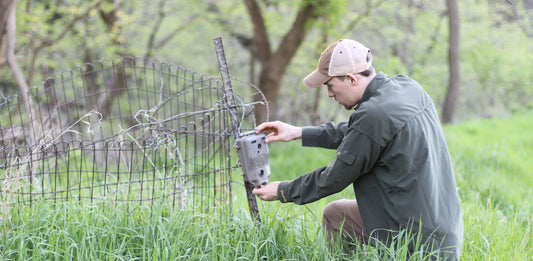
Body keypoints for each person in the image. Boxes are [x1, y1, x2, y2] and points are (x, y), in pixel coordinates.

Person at [251, 39, 463, 260]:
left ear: (351, 79)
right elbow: (361, 134)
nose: (330, 95)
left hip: (418, 242)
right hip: (442, 226)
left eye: (330, 86)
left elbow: (333, 178)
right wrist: (299, 132)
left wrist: (283, 191)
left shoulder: (373, 115)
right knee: (337, 215)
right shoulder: (407, 88)